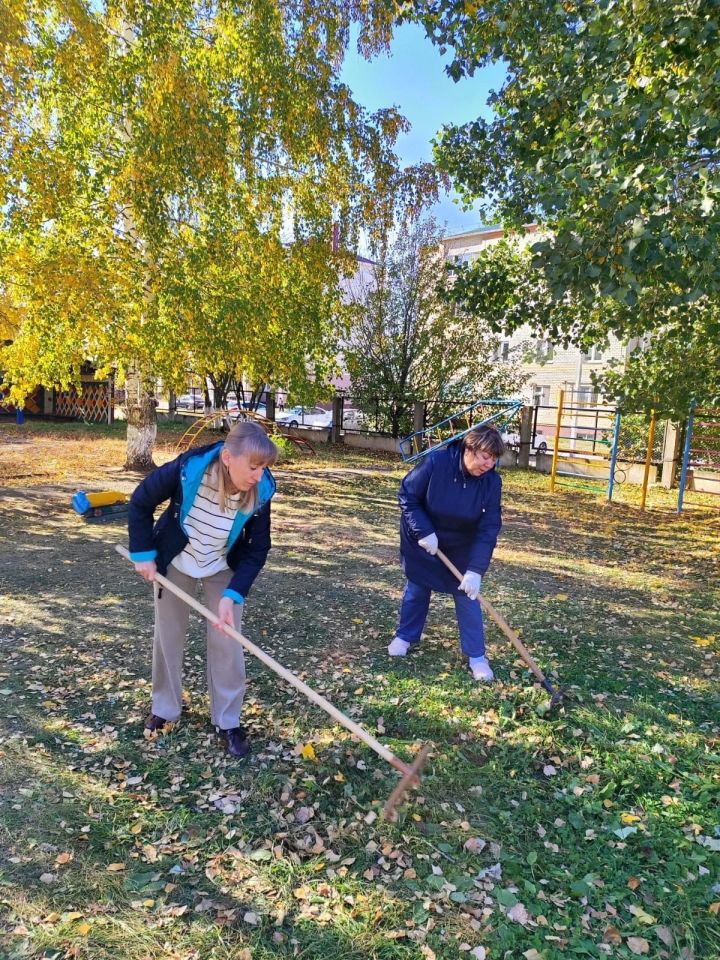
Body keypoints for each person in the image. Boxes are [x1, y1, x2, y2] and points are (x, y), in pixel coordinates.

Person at [127, 421, 278, 758]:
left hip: (223, 565)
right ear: (228, 457)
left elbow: (257, 549)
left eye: (263, 467)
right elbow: (140, 501)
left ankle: (227, 720)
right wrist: (143, 553)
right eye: (253, 467)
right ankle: (164, 710)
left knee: (228, 639)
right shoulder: (189, 468)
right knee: (168, 635)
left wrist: (233, 594)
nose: (258, 474)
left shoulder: (262, 491)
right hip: (177, 560)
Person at [389, 424, 505, 682]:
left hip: (461, 545)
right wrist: (423, 531)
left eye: (494, 459)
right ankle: (405, 636)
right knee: (418, 588)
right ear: (469, 449)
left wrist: (475, 570)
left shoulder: (492, 482)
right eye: (486, 457)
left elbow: (489, 528)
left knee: (467, 597)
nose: (489, 464)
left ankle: (477, 656)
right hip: (424, 539)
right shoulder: (437, 463)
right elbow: (408, 495)